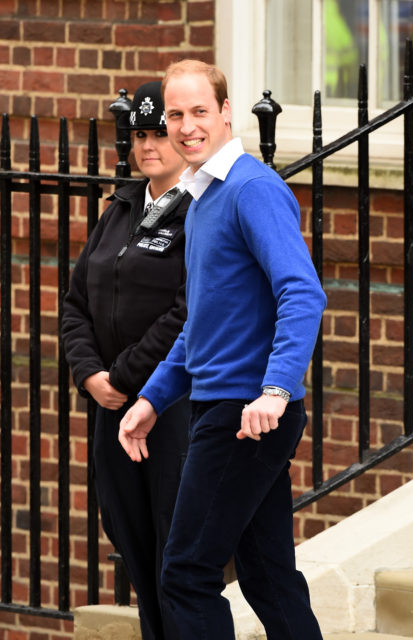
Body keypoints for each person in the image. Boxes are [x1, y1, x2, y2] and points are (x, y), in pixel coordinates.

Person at [119, 60, 327, 640]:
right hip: (226, 407)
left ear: (226, 112)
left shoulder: (251, 189)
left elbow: (303, 293)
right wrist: (152, 399)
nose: (186, 127)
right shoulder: (204, 196)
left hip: (246, 414)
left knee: (186, 573)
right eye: (175, 114)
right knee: (268, 576)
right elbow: (202, 323)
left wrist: (276, 389)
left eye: (199, 111)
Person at [61, 80, 191, 640]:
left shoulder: (200, 210)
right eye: (139, 135)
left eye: (159, 132)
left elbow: (189, 309)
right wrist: (90, 375)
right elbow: (76, 303)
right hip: (111, 407)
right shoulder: (120, 206)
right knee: (129, 534)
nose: (148, 145)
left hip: (170, 404)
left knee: (176, 549)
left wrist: (124, 376)